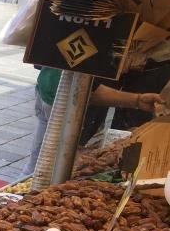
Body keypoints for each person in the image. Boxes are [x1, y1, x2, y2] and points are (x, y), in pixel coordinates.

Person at [24, 67, 162, 177]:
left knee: (40, 158)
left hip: (51, 89)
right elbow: (91, 89)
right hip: (60, 96)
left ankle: (27, 181)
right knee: (45, 163)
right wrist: (137, 100)